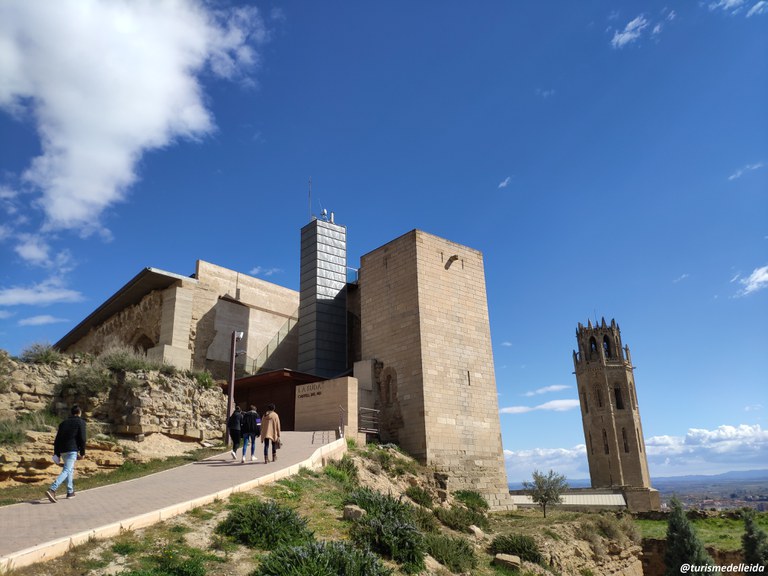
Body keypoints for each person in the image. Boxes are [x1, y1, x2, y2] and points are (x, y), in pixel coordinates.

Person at [46, 404, 86, 503]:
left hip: (62, 450)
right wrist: (82, 452)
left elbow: (57, 439)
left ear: (71, 413)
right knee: (67, 469)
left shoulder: (63, 423)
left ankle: (70, 491)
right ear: (79, 413)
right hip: (72, 450)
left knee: (69, 470)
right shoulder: (81, 422)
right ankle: (52, 489)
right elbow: (82, 438)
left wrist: (57, 453)